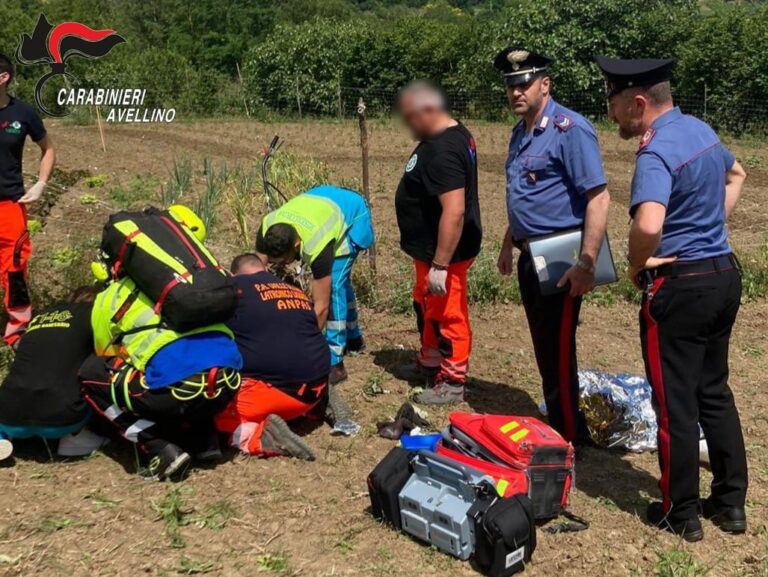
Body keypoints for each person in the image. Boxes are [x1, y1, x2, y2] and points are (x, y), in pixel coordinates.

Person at [596, 56, 748, 541]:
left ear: (638, 102)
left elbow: (648, 223)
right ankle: (730, 504)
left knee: (674, 403)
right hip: (722, 275)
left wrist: (637, 264)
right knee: (714, 392)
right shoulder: (700, 130)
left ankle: (678, 511)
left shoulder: (655, 150)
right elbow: (737, 173)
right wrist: (709, 227)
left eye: (614, 102)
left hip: (680, 286)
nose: (611, 113)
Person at [494, 48, 610, 444]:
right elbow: (525, 196)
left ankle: (569, 434)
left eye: (524, 84)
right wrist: (509, 242)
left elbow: (598, 197)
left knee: (559, 348)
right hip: (530, 253)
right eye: (511, 85)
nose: (516, 92)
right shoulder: (520, 133)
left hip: (561, 254)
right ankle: (560, 415)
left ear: (545, 85)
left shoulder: (569, 130)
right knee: (543, 343)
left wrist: (587, 262)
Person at [83, 214, 243, 480]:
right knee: (194, 363)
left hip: (175, 393)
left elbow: (103, 353)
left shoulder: (113, 295)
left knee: (91, 373)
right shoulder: (199, 285)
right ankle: (205, 441)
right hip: (227, 384)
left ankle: (157, 447)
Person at [394, 81, 482, 404]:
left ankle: (453, 381)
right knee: (427, 303)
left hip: (445, 254)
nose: (409, 126)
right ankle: (430, 361)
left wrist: (441, 265)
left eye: (411, 118)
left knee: (449, 313)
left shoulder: (443, 150)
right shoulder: (450, 135)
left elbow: (454, 211)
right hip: (431, 251)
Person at [214, 254, 330, 459]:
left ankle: (260, 436)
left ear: (233, 275)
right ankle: (318, 404)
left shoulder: (235, 290)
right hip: (318, 384)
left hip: (277, 393)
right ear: (265, 269)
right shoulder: (293, 290)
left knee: (207, 412)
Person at [256, 185, 374, 385]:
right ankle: (354, 337)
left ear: (296, 245)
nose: (283, 265)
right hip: (320, 200)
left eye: (285, 260)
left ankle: (335, 362)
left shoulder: (317, 244)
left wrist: (307, 346)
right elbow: (256, 274)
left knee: (335, 286)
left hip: (351, 214)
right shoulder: (268, 225)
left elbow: (321, 307)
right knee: (340, 282)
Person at [0, 286, 104, 461]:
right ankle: (75, 437)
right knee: (97, 369)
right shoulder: (93, 314)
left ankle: (3, 437)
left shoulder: (40, 317)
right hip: (62, 420)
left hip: (8, 415)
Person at [0, 53, 55, 347]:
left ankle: (17, 330)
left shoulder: (23, 113)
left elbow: (48, 149)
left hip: (10, 204)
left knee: (15, 267)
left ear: (3, 78)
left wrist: (41, 184)